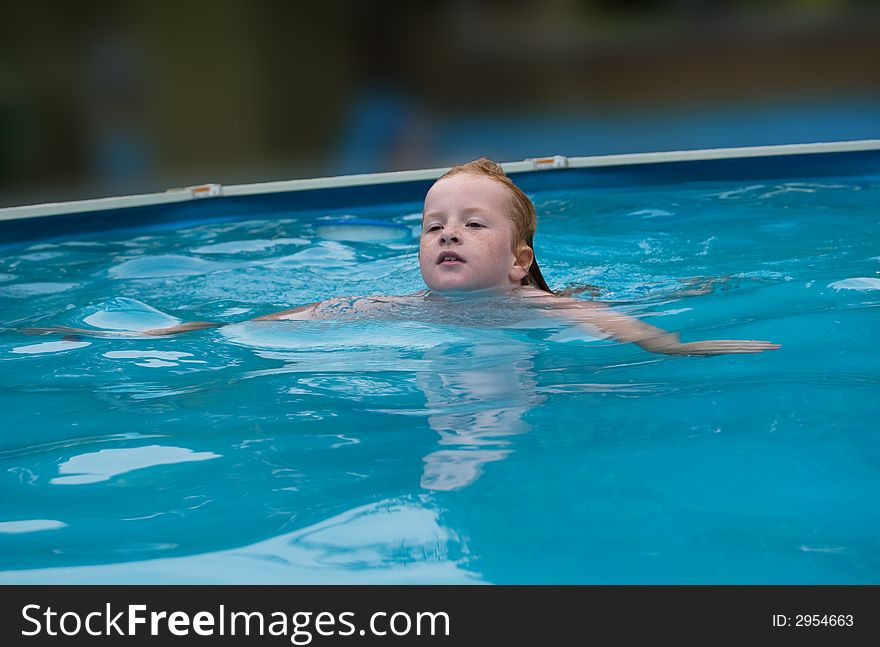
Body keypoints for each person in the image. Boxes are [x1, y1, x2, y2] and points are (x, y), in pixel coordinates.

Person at [24, 157, 780, 356]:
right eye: (432, 226)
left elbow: (640, 335)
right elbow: (262, 319)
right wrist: (141, 335)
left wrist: (694, 345)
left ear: (519, 261)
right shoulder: (389, 309)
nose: (446, 234)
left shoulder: (553, 305)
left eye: (471, 225)